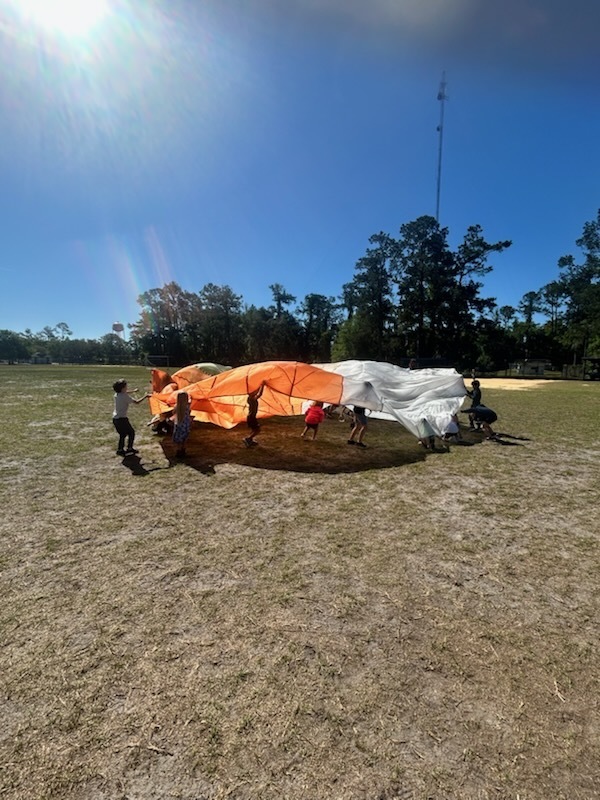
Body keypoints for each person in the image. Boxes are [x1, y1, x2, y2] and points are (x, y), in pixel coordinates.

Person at [112, 379, 149, 456]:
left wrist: (134, 391)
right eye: (126, 386)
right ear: (122, 388)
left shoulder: (117, 394)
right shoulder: (125, 397)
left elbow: (125, 392)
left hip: (115, 418)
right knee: (131, 432)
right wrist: (145, 396)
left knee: (122, 434)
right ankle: (129, 448)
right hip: (122, 419)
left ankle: (120, 450)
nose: (127, 388)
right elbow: (137, 402)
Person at [172, 391, 192, 457]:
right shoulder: (187, 406)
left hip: (178, 424)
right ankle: (183, 451)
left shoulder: (176, 406)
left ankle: (178, 451)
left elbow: (173, 412)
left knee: (179, 439)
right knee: (184, 438)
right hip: (186, 424)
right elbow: (191, 401)